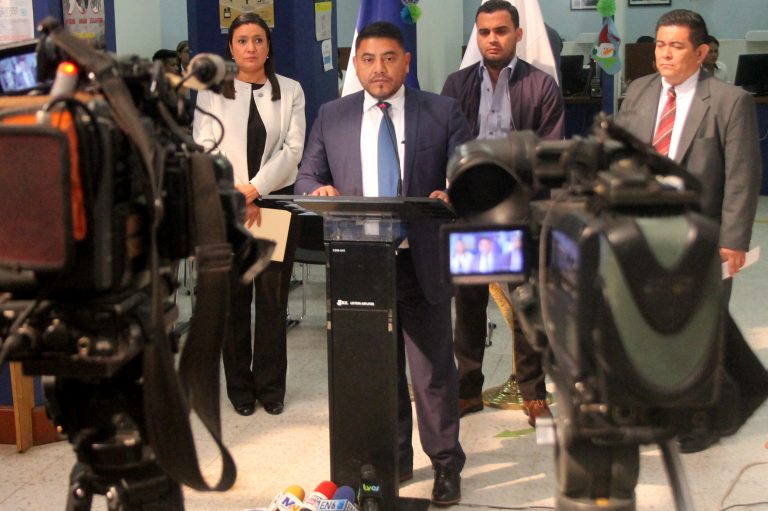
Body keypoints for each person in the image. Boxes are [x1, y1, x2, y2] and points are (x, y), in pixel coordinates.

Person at [295, 21, 470, 507]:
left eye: (389, 58)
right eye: (369, 59)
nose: (379, 69)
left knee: (432, 373)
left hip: (421, 262)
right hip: (361, 266)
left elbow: (466, 171)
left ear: (406, 62)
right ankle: (395, 458)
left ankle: (446, 464)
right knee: (377, 373)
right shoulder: (333, 115)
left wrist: (451, 191)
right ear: (355, 64)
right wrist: (318, 190)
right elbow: (307, 175)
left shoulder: (441, 111)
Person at [616, 9, 761, 452]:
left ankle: (702, 419)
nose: (665, 54)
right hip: (643, 235)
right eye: (660, 44)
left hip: (702, 238)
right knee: (647, 327)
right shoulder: (638, 91)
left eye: (676, 46)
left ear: (700, 53)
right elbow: (620, 160)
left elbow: (742, 176)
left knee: (702, 332)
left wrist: (733, 240)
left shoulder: (729, 101)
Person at [441, 0, 564, 425]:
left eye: (501, 31)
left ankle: (533, 392)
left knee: (528, 304)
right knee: (469, 305)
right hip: (471, 209)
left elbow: (548, 152)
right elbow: (446, 144)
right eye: (484, 32)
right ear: (476, 36)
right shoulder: (456, 84)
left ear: (518, 34)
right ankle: (467, 389)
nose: (492, 39)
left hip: (520, 209)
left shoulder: (541, 85)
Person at [193, 12, 306, 417]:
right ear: (231, 47)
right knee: (234, 301)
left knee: (272, 301)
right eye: (242, 40)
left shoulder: (290, 90)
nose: (251, 48)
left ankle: (271, 387)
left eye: (258, 39)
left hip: (275, 205)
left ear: (269, 46)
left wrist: (255, 189)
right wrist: (239, 194)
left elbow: (293, 150)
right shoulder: (210, 93)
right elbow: (204, 147)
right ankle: (240, 388)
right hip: (227, 209)